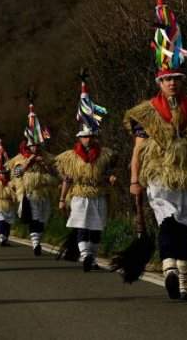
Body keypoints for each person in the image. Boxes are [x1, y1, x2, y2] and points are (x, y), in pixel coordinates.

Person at [124, 0, 187, 300]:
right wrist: (135, 180)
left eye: (177, 80)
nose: (172, 84)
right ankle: (169, 270)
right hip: (161, 175)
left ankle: (183, 282)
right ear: (159, 82)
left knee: (185, 227)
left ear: (182, 81)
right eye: (167, 80)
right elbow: (138, 151)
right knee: (167, 222)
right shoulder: (147, 114)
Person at [56, 72, 116, 271]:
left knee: (96, 226)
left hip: (97, 193)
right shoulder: (70, 157)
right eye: (84, 137)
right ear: (79, 138)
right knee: (82, 224)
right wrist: (62, 199)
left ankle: (92, 255)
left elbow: (109, 171)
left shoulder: (105, 155)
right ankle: (85, 256)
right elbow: (67, 178)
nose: (88, 139)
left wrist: (111, 178)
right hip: (80, 194)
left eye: (90, 136)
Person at [9, 97, 58, 256]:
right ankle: (36, 243)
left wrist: (43, 164)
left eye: (37, 145)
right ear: (28, 145)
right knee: (34, 219)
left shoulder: (48, 157)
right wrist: (29, 161)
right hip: (30, 193)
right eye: (32, 145)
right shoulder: (20, 158)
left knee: (43, 219)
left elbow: (55, 173)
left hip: (44, 192)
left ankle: (38, 239)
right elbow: (16, 173)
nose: (35, 148)